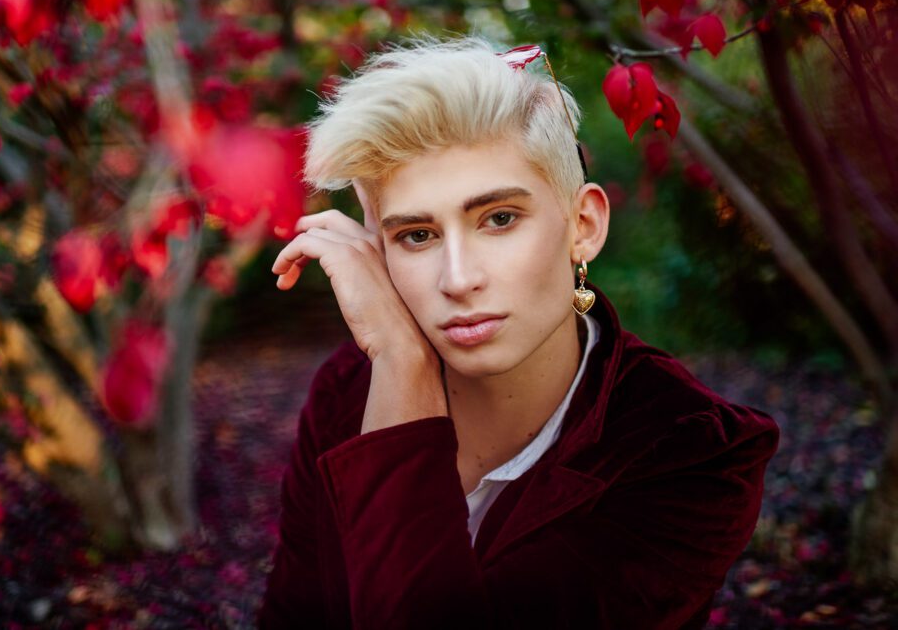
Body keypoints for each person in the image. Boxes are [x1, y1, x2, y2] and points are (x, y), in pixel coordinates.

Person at [258, 35, 779, 629]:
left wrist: (403, 363)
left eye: (499, 219)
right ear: (379, 253)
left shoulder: (693, 450)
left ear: (582, 225)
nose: (458, 279)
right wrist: (400, 366)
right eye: (417, 236)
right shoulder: (345, 395)